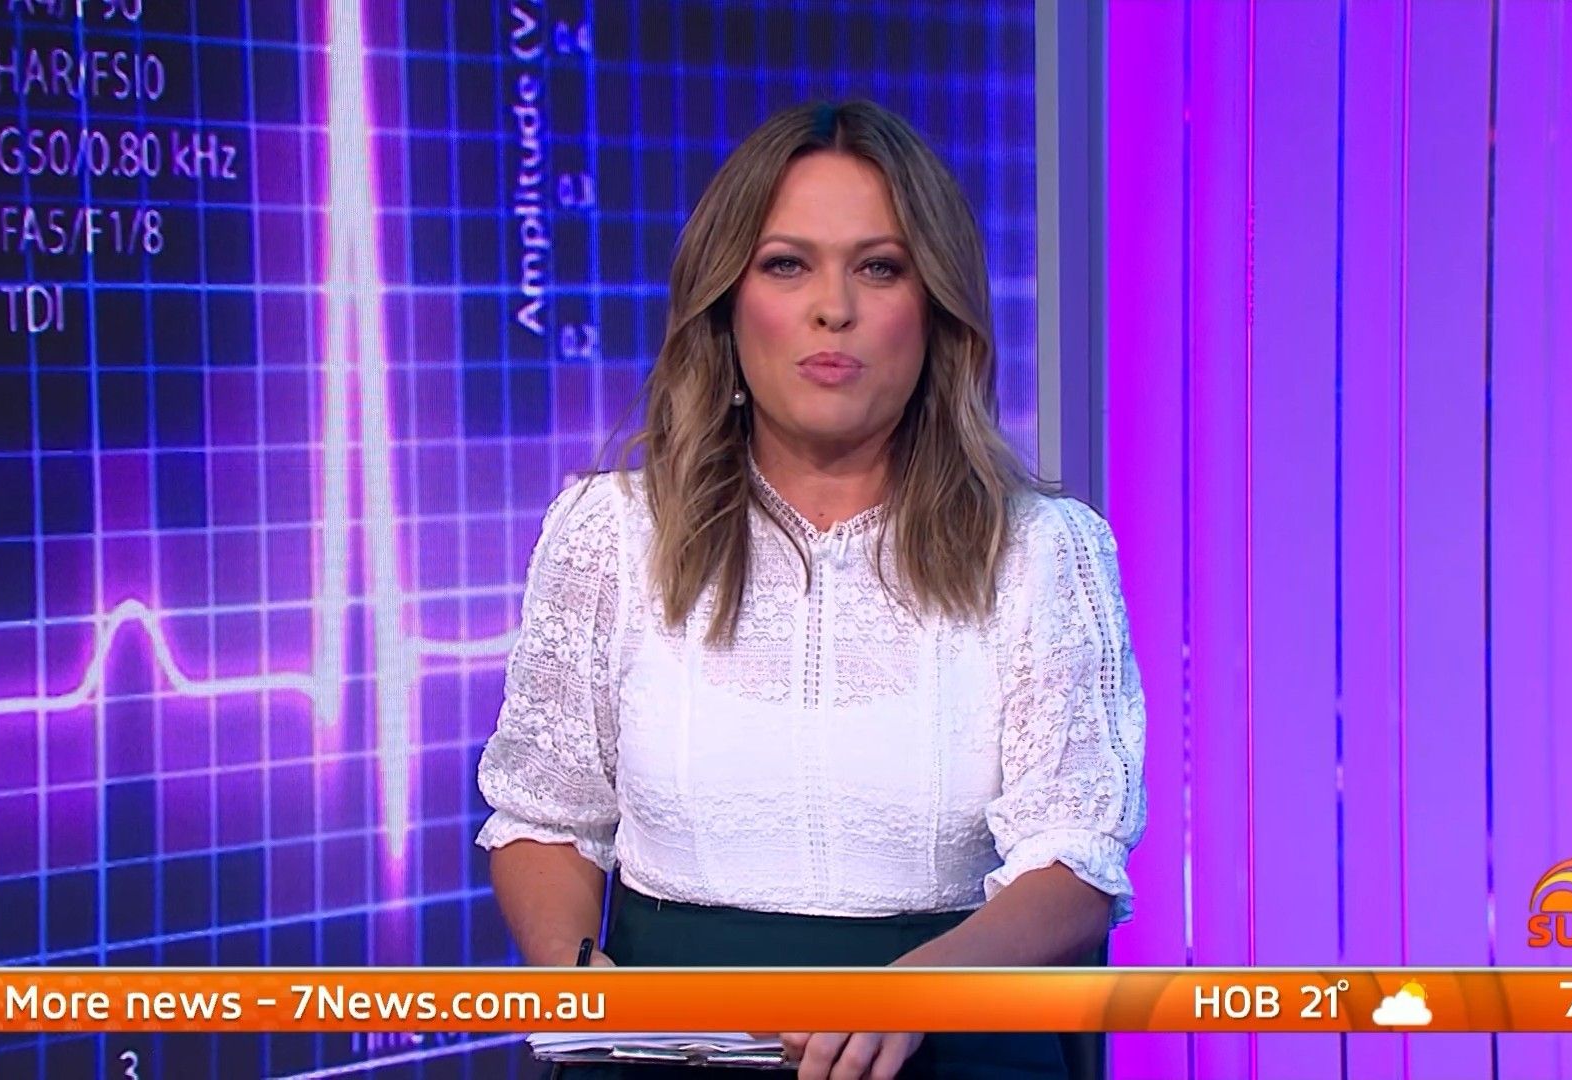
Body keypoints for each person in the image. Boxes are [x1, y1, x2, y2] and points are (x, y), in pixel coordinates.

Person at [476, 99, 1146, 1080]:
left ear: (935, 309)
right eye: (788, 265)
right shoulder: (611, 533)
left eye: (880, 268)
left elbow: (1075, 861)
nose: (834, 308)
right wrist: (579, 979)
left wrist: (916, 993)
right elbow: (547, 819)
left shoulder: (1044, 550)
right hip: (662, 1053)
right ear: (727, 302)